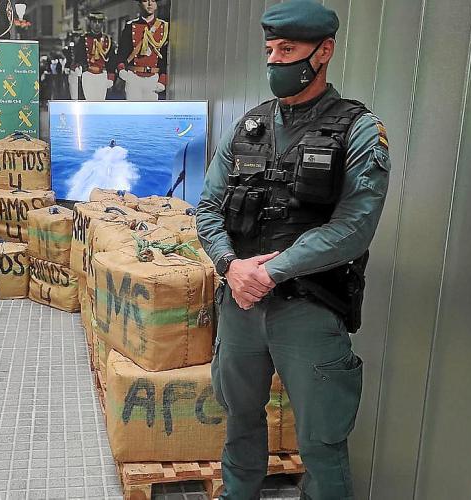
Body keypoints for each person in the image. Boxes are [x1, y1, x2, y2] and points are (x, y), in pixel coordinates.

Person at [195, 1, 391, 499]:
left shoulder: (359, 129)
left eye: (288, 50)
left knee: (322, 442)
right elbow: (208, 207)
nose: (275, 61)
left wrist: (271, 272)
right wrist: (230, 266)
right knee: (240, 423)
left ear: (323, 52)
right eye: (270, 51)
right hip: (240, 306)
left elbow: (354, 226)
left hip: (310, 309)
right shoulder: (248, 128)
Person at [115, 0, 168, 101]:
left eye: (153, 1)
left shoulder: (163, 27)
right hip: (133, 77)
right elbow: (122, 52)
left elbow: (165, 57)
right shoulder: (130, 26)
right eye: (145, 1)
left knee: (150, 110)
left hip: (153, 78)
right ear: (139, 5)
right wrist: (121, 70)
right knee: (133, 109)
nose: (150, 4)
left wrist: (163, 79)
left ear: (156, 5)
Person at [72, 12, 115, 101]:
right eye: (94, 22)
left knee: (100, 102)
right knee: (89, 101)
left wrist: (111, 77)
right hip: (88, 74)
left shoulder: (108, 39)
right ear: (90, 23)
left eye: (100, 22)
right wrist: (80, 68)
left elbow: (112, 60)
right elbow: (78, 57)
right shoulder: (83, 39)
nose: (97, 24)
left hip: (102, 74)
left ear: (103, 23)